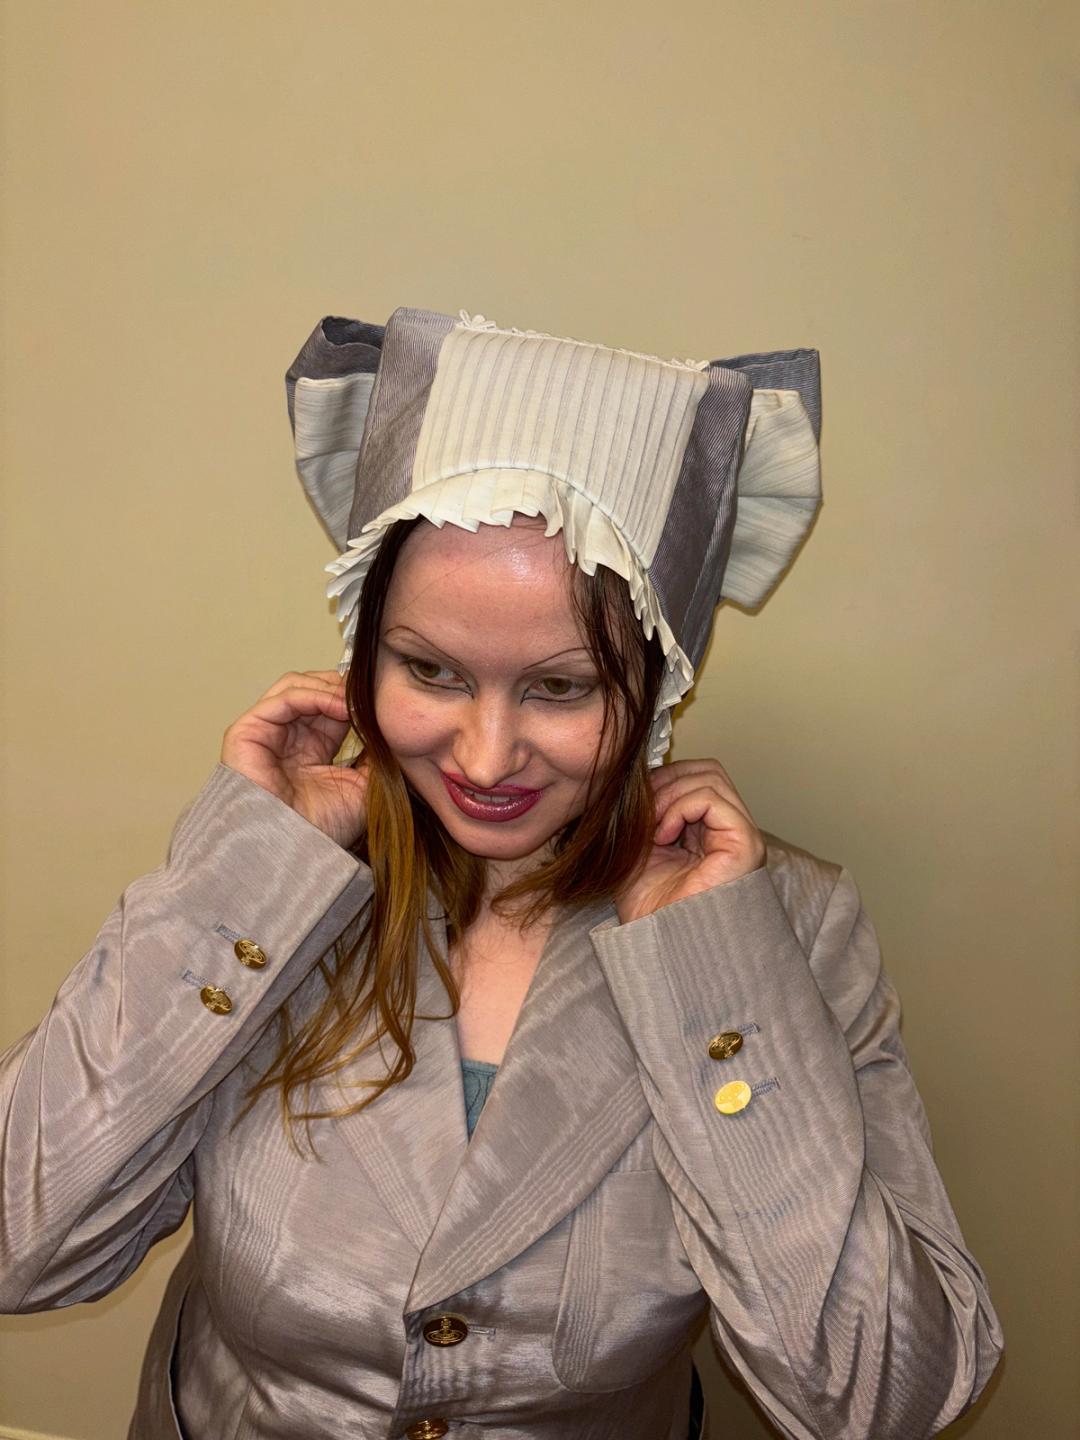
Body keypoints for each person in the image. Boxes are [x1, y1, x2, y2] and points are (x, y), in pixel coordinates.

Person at [0, 305, 1003, 1440]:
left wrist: (716, 978)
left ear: (657, 687)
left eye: (561, 688)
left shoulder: (790, 926)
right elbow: (21, 1244)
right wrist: (243, 875)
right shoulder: (279, 880)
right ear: (363, 654)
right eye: (429, 671)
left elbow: (879, 1399)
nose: (483, 760)